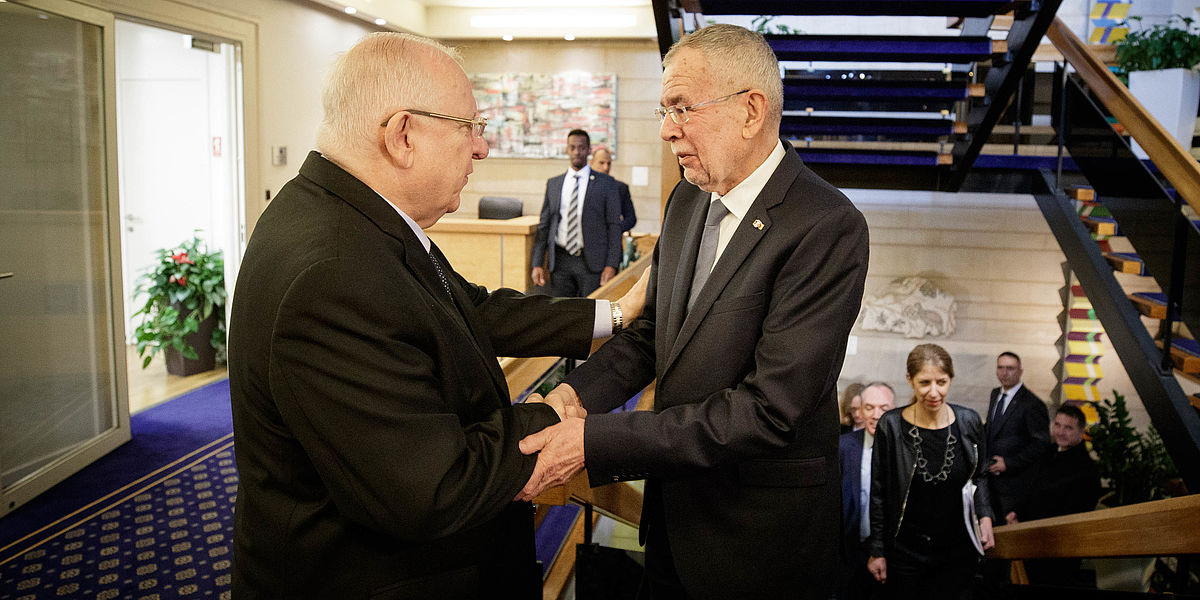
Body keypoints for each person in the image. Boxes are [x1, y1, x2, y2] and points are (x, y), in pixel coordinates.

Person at [226, 32, 647, 599]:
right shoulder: (333, 273)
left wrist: (616, 314)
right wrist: (550, 417)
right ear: (403, 136)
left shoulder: (353, 216)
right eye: (470, 128)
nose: (482, 149)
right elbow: (432, 488)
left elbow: (468, 308)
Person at [515, 23, 871, 599]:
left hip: (759, 544)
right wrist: (575, 397)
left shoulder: (827, 226)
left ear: (751, 110)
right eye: (663, 110)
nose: (665, 130)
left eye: (680, 108)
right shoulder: (687, 198)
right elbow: (654, 331)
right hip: (671, 526)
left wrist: (593, 442)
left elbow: (769, 410)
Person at [867, 344, 995, 600]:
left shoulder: (968, 421)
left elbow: (979, 475)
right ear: (910, 380)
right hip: (905, 551)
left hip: (957, 550)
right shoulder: (891, 425)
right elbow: (879, 492)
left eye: (942, 382)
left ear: (951, 379)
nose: (934, 392)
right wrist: (877, 550)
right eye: (924, 382)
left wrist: (985, 515)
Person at [1006, 404, 1101, 587]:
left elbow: (1072, 515)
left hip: (1058, 551)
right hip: (1031, 539)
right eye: (1057, 425)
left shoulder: (1087, 470)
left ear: (1081, 431)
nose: (1061, 432)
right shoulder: (1048, 452)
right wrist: (1016, 512)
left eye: (1068, 427)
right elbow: (1030, 488)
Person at [531, 129, 624, 296]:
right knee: (562, 315)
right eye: (572, 147)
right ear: (566, 149)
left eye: (581, 148)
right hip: (560, 262)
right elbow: (544, 225)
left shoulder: (606, 183)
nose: (577, 152)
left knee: (589, 314)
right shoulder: (554, 184)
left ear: (588, 150)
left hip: (592, 263)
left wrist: (612, 265)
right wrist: (537, 263)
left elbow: (614, 227)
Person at [839, 382, 896, 600]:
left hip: (890, 555)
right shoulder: (844, 446)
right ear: (860, 410)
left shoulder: (906, 448)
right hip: (850, 552)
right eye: (869, 407)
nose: (876, 415)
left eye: (884, 408)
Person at [985, 351, 1052, 518]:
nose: (1004, 373)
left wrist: (1009, 463)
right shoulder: (995, 394)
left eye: (1010, 368)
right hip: (991, 480)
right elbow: (993, 430)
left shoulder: (1032, 404)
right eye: (1000, 368)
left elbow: (1041, 445)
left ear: (1020, 371)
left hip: (1014, 485)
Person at [589, 146, 637, 233]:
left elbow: (631, 219)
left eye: (609, 163)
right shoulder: (584, 186)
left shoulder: (620, 188)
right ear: (591, 163)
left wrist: (613, 229)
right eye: (601, 163)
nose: (606, 168)